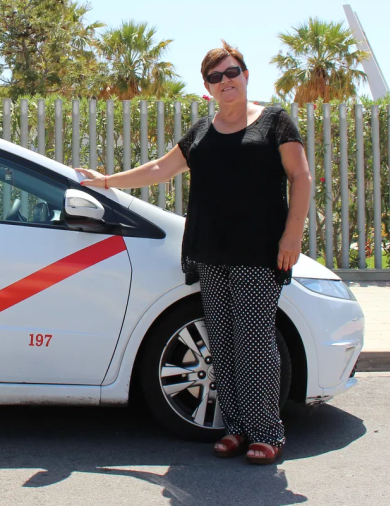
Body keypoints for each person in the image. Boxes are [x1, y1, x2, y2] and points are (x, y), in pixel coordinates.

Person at [75, 40, 311, 465]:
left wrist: (291, 237)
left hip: (259, 254)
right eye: (216, 77)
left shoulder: (275, 122)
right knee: (221, 343)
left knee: (255, 343)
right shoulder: (201, 132)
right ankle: (237, 428)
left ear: (246, 75)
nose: (226, 82)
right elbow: (159, 169)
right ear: (207, 86)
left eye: (232, 72)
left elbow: (302, 178)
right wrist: (106, 182)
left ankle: (268, 433)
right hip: (210, 252)